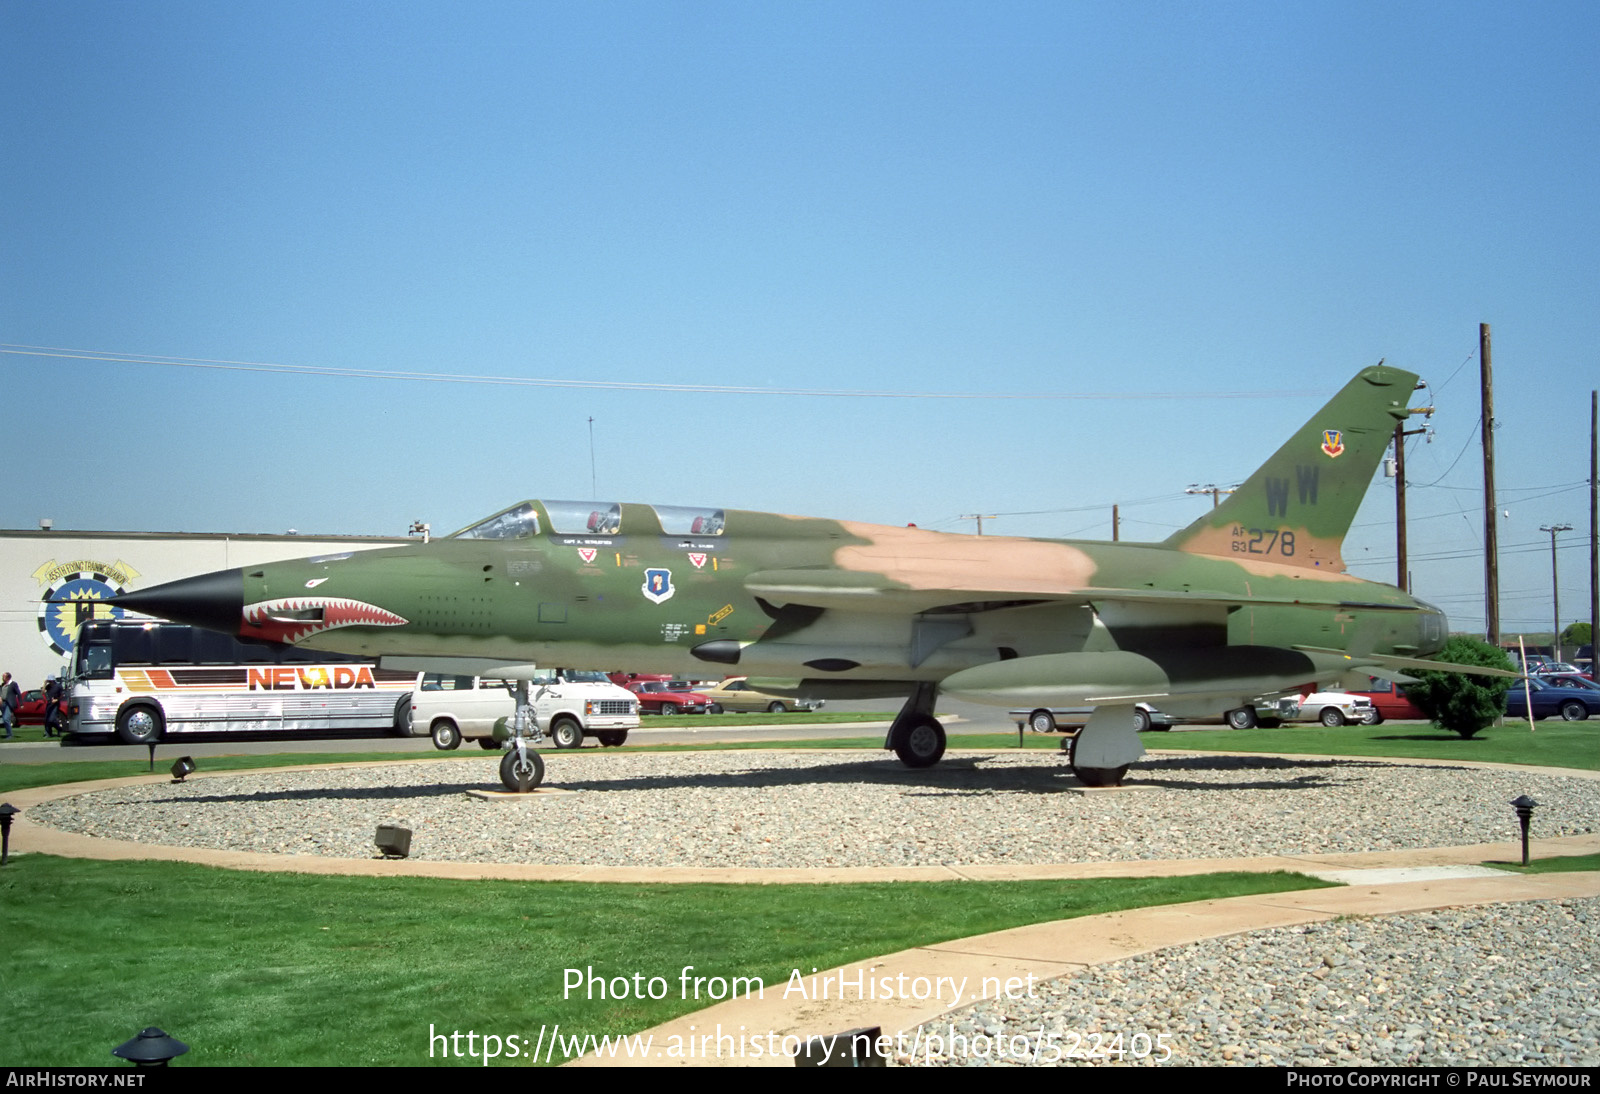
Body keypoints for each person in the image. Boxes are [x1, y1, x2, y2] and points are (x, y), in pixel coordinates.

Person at [0, 672, 19, 739]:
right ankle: (8, 733)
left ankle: (10, 735)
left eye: (3, 677)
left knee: (6, 718)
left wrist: (21, 703)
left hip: (9, 703)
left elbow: (18, 693)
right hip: (3, 704)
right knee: (5, 719)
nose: (2, 678)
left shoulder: (13, 684)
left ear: (8, 677)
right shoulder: (2, 685)